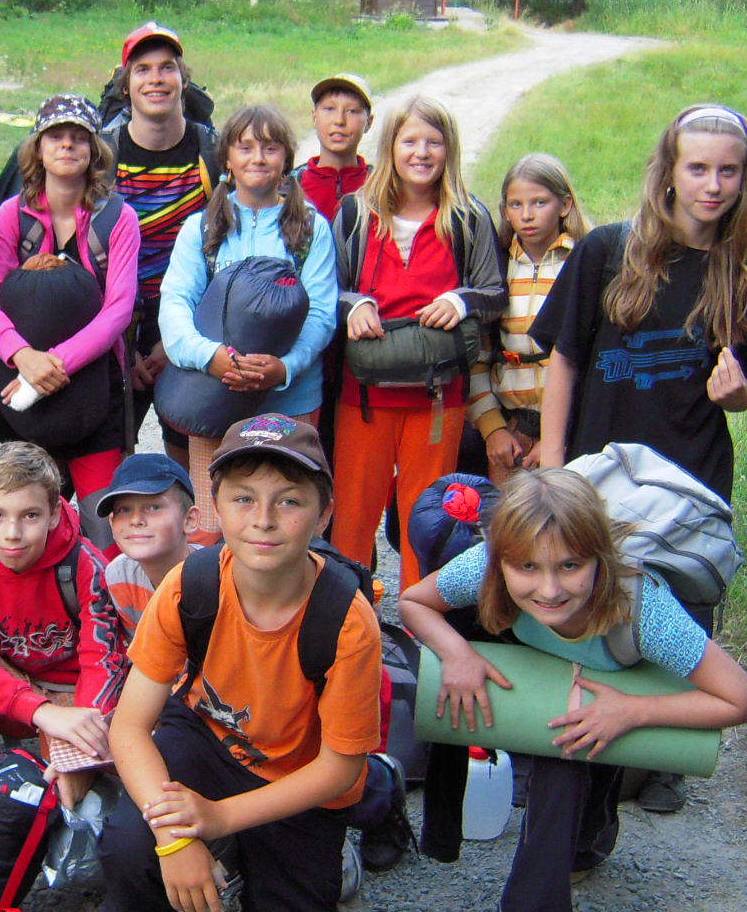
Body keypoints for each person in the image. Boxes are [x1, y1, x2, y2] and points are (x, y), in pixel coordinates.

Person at [401, 468, 747, 912]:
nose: (549, 589)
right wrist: (456, 653)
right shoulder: (486, 567)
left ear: (600, 557)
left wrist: (633, 712)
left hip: (617, 685)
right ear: (502, 560)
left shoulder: (644, 608)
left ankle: (582, 854)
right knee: (563, 765)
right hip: (545, 678)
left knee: (585, 765)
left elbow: (746, 700)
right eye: (528, 567)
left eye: (570, 566)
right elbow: (413, 602)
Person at [88, 414, 382, 912]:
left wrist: (220, 820)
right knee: (131, 838)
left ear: (323, 513)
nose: (263, 519)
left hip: (301, 773)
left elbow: (339, 768)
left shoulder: (347, 620)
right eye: (243, 498)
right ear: (215, 509)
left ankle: (316, 835)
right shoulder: (189, 585)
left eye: (289, 501)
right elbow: (130, 729)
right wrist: (175, 840)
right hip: (208, 739)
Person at [532, 103, 747, 816]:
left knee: (682, 623)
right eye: (698, 168)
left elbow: (746, 391)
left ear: (745, 179)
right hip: (599, 473)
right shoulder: (608, 250)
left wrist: (736, 395)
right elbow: (564, 360)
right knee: (582, 607)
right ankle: (557, 746)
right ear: (668, 172)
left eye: (728, 171)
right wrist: (553, 466)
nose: (713, 185)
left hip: (690, 483)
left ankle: (665, 758)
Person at [329, 95, 505, 581]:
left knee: (428, 520)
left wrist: (462, 301)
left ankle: (421, 616)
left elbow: (495, 293)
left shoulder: (467, 217)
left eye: (434, 142)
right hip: (364, 396)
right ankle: (348, 610)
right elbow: (325, 290)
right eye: (410, 141)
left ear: (450, 149)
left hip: (438, 397)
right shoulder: (356, 213)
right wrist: (353, 304)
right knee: (352, 515)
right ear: (390, 146)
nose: (422, 153)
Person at [159, 104, 337, 543]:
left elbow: (321, 312)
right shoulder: (201, 228)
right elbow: (175, 303)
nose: (258, 157)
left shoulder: (311, 229)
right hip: (213, 399)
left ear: (286, 158)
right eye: (246, 147)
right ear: (227, 158)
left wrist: (285, 367)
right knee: (213, 523)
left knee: (282, 521)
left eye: (270, 148)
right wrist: (210, 357)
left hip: (290, 398)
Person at [0, 441, 127, 803]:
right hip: (4, 685)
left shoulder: (86, 565)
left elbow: (104, 658)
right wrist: (37, 710)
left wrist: (82, 724)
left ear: (54, 514)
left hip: (73, 692)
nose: (12, 533)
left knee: (63, 797)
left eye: (30, 515)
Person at [0, 96, 142, 505]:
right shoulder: (12, 215)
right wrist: (21, 355)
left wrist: (53, 364)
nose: (67, 145)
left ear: (94, 150)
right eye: (55, 136)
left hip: (93, 386)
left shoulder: (118, 218)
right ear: (38, 148)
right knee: (28, 509)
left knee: (101, 515)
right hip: (22, 381)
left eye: (78, 137)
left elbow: (119, 308)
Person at [100, 23, 219, 457]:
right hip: (115, 320)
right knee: (110, 460)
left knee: (189, 459)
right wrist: (121, 344)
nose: (156, 79)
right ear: (125, 85)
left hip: (193, 319)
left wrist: (176, 340)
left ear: (183, 79)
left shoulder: (212, 152)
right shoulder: (102, 156)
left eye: (167, 67)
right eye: (143, 69)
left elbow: (228, 254)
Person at [464, 154, 588, 483]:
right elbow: (478, 357)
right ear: (504, 211)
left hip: (571, 429)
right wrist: (493, 429)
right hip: (511, 430)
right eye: (516, 205)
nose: (527, 215)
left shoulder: (581, 263)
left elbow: (593, 362)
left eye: (540, 202)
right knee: (509, 513)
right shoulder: (496, 268)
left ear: (564, 205)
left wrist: (557, 439)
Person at [97, 453, 200, 635]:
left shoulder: (216, 576)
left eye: (153, 507)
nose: (136, 520)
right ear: (112, 524)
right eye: (124, 510)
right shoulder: (119, 576)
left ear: (189, 519)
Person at [298, 73, 372, 220]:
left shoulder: (380, 187)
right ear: (314, 117)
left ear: (369, 122)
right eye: (330, 109)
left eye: (352, 111)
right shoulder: (292, 187)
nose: (339, 120)